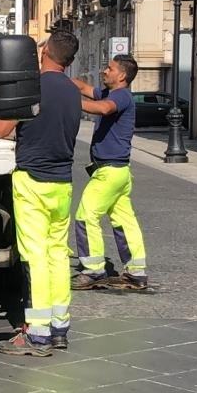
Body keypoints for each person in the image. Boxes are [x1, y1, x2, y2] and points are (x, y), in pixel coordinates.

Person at [0, 30, 82, 357]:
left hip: (32, 182)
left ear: (45, 52)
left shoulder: (33, 87)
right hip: (63, 184)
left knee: (34, 256)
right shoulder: (72, 91)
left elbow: (1, 129)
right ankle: (59, 327)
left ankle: (37, 334)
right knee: (57, 253)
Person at [72, 54, 148, 291]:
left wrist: (68, 102)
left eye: (109, 68)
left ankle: (94, 270)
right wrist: (59, 81)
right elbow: (84, 88)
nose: (104, 71)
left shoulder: (121, 96)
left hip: (110, 171)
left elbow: (103, 109)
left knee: (86, 216)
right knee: (124, 221)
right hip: (119, 172)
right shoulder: (110, 93)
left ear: (122, 75)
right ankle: (136, 272)